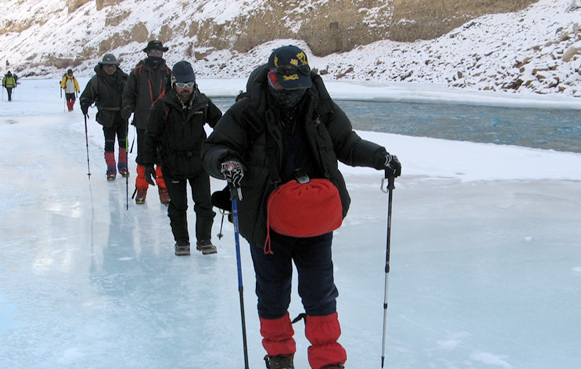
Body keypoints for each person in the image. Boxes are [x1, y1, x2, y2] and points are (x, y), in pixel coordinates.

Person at [202, 45, 402, 369]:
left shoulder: (319, 105)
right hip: (266, 223)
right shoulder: (247, 111)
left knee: (320, 292)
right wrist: (227, 163)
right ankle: (280, 357)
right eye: (286, 85)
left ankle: (328, 362)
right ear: (272, 78)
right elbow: (216, 147)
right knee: (272, 294)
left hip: (313, 219)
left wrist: (380, 157)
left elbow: (346, 143)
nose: (293, 93)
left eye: (299, 86)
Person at [143, 61, 222, 256]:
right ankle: (181, 242)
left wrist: (225, 149)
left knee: (204, 203)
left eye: (189, 84)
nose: (186, 89)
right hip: (172, 163)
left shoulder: (202, 103)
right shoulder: (163, 106)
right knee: (178, 206)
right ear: (173, 84)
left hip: (198, 162)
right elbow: (150, 136)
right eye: (181, 85)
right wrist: (147, 164)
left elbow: (221, 125)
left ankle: (204, 240)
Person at [121, 40, 171, 204]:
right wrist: (127, 107)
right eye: (153, 52)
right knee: (143, 157)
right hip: (143, 122)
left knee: (163, 157)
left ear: (162, 53)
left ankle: (163, 189)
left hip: (163, 123)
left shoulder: (169, 73)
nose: (155, 55)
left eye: (159, 52)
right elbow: (128, 93)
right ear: (147, 52)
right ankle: (141, 188)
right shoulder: (137, 72)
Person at [80, 53, 129, 181]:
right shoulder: (96, 80)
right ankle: (111, 169)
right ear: (103, 66)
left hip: (122, 115)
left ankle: (123, 166)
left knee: (124, 142)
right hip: (106, 116)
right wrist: (84, 103)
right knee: (109, 143)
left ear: (115, 66)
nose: (109, 68)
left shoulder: (124, 78)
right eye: (107, 66)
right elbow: (87, 95)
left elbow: (131, 94)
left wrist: (130, 107)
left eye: (112, 66)